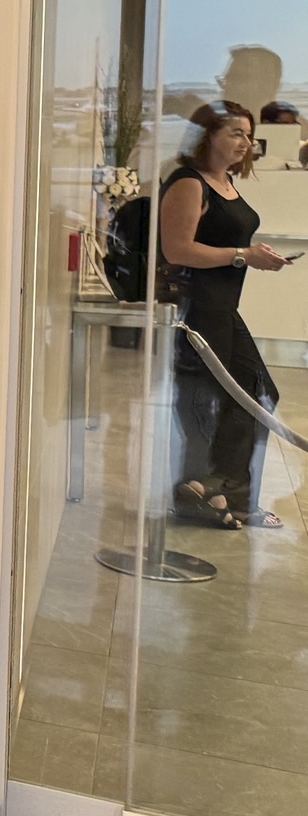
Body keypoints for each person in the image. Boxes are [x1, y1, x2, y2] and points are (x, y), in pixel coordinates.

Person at [160, 100, 293, 528]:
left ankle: (217, 491)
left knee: (254, 394)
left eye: (248, 134)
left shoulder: (225, 182)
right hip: (199, 309)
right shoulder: (189, 182)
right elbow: (176, 250)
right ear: (208, 135)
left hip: (223, 309)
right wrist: (243, 255)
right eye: (236, 132)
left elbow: (228, 244)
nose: (245, 142)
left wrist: (252, 255)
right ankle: (209, 493)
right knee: (209, 403)